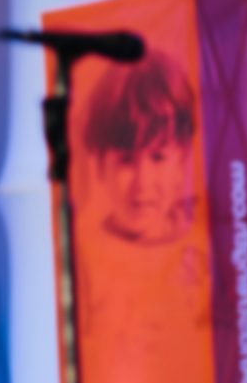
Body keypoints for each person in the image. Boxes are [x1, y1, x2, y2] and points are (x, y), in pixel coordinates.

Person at [81, 49, 197, 246]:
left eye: (158, 157)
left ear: (181, 162)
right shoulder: (86, 251)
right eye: (126, 160)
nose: (143, 182)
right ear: (100, 166)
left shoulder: (200, 242)